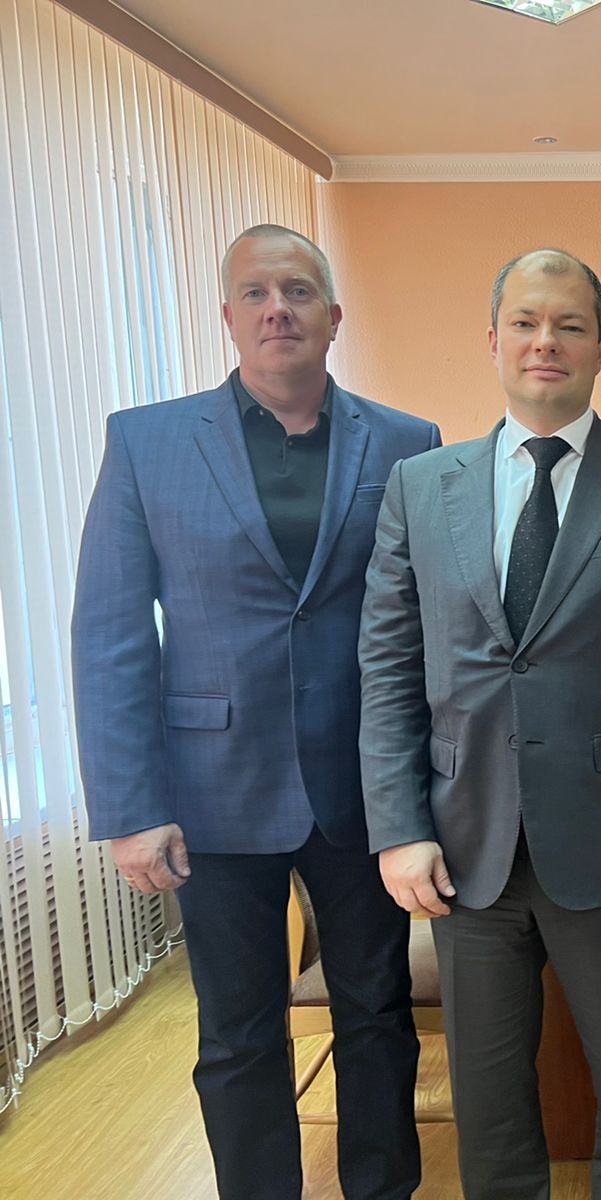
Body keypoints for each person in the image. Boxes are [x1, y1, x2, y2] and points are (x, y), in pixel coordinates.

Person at [72, 224, 439, 1200]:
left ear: (333, 315)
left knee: (377, 1014)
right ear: (229, 316)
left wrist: (431, 785)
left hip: (364, 790)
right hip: (212, 794)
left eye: (298, 291)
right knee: (238, 1035)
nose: (278, 308)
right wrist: (131, 808)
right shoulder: (146, 442)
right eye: (256, 293)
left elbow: (426, 626)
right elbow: (110, 632)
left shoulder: (407, 444)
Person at [358, 249, 601, 1199]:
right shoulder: (419, 486)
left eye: (569, 324)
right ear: (493, 340)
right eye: (525, 322)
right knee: (488, 1110)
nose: (545, 342)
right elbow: (387, 672)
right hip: (464, 851)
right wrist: (398, 826)